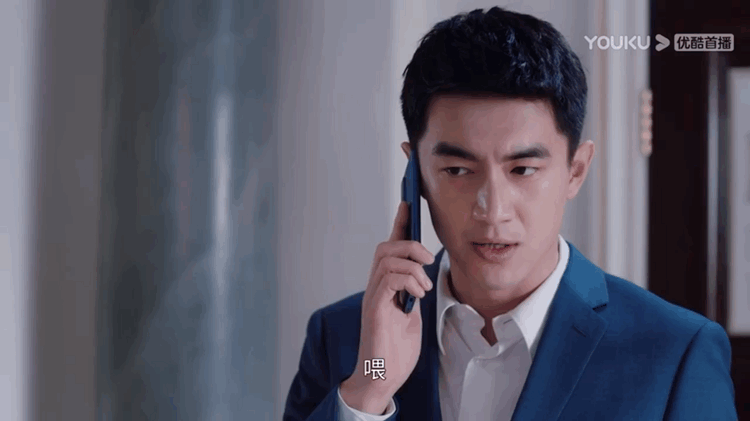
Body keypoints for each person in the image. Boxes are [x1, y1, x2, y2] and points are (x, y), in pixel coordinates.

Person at [283, 6, 737, 421]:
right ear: (415, 172)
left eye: (523, 169)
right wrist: (372, 383)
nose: (492, 210)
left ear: (576, 171)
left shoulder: (675, 353)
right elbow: (367, 380)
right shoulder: (343, 337)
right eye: (458, 170)